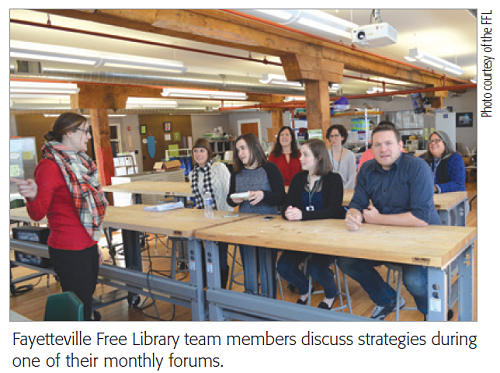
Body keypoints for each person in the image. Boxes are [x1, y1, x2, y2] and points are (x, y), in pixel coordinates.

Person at [339, 122, 441, 320]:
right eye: (377, 145)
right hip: (385, 238)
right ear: (372, 148)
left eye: (388, 143)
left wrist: (377, 219)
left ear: (400, 145)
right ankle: (388, 300)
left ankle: (430, 311)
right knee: (347, 262)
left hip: (422, 239)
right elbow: (357, 202)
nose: (383, 149)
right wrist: (353, 215)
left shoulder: (417, 167)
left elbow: (421, 219)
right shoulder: (367, 170)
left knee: (415, 281)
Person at [12, 112, 108, 321]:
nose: (89, 137)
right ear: (68, 133)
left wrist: (93, 243)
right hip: (69, 251)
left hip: (86, 246)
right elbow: (37, 214)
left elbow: (86, 212)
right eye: (85, 131)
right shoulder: (49, 166)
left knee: (86, 305)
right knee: (79, 310)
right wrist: (32, 196)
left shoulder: (81, 164)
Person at [277, 139, 344, 309]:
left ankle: (330, 293)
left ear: (319, 157)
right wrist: (288, 213)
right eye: (301, 154)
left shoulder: (334, 179)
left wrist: (303, 215)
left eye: (305, 154)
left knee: (316, 268)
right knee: (283, 267)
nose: (300, 158)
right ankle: (305, 287)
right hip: (302, 237)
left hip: (328, 237)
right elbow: (287, 204)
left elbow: (334, 211)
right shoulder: (299, 179)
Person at [227, 133, 285, 296]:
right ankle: (251, 304)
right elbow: (230, 199)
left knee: (266, 268)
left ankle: (268, 303)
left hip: (267, 226)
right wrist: (235, 200)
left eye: (243, 148)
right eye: (238, 150)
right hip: (244, 226)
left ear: (254, 147)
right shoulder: (236, 172)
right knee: (249, 268)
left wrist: (263, 195)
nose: (240, 153)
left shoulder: (270, 168)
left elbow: (281, 197)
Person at [188, 138, 233, 288]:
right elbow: (198, 198)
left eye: (202, 150)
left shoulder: (219, 168)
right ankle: (207, 286)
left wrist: (227, 218)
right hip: (203, 221)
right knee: (205, 256)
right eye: (195, 151)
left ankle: (221, 291)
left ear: (209, 153)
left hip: (222, 219)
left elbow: (229, 193)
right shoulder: (192, 174)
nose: (198, 154)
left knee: (220, 257)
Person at [325, 124, 357, 189]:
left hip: (347, 191)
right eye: (331, 136)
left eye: (336, 136)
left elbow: (352, 178)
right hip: (329, 191)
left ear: (342, 137)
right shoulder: (326, 154)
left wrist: (342, 191)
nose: (333, 139)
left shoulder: (350, 155)